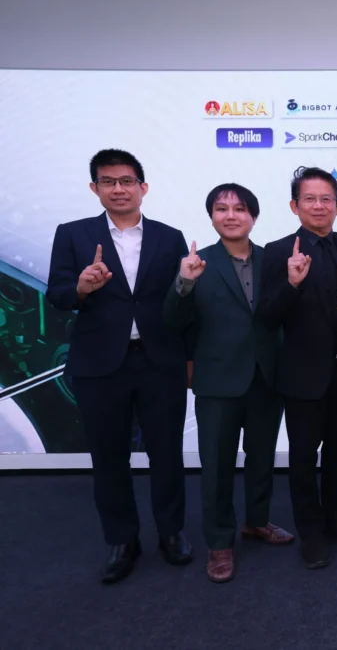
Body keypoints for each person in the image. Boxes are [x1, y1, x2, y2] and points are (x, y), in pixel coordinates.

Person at [45, 148, 192, 584]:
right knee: (109, 458)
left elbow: (178, 303)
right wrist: (81, 288)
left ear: (143, 187)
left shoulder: (169, 236)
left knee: (167, 454)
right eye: (108, 182)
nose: (118, 189)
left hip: (159, 360)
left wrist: (189, 355)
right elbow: (57, 295)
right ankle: (122, 540)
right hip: (100, 364)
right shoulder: (73, 234)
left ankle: (171, 532)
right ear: (95, 188)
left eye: (127, 181)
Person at [163, 183, 295, 583]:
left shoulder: (274, 260)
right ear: (212, 217)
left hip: (266, 376)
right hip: (217, 380)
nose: (231, 215)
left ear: (253, 216)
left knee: (261, 458)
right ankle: (220, 542)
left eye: (240, 208)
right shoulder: (196, 263)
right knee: (217, 466)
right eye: (222, 209)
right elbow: (172, 321)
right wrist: (184, 283)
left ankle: (257, 521)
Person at [256, 166, 337, 569]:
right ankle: (311, 532)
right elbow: (266, 317)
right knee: (303, 457)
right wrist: (291, 284)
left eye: (326, 199)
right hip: (301, 373)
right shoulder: (276, 251)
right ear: (294, 206)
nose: (318, 206)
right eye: (309, 199)